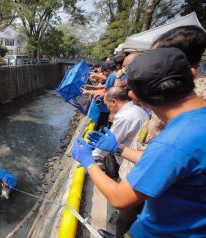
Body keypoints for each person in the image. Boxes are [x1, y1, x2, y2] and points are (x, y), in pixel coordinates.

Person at [72, 47, 206, 237]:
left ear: (138, 97)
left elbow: (119, 197)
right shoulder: (196, 121)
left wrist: (88, 162)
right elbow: (160, 162)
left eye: (131, 89)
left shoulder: (173, 141)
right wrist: (118, 148)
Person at [92, 87, 148, 179]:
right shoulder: (138, 109)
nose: (107, 108)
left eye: (107, 105)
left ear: (114, 102)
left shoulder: (123, 118)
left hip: (130, 162)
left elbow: (111, 141)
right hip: (138, 155)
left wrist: (91, 158)